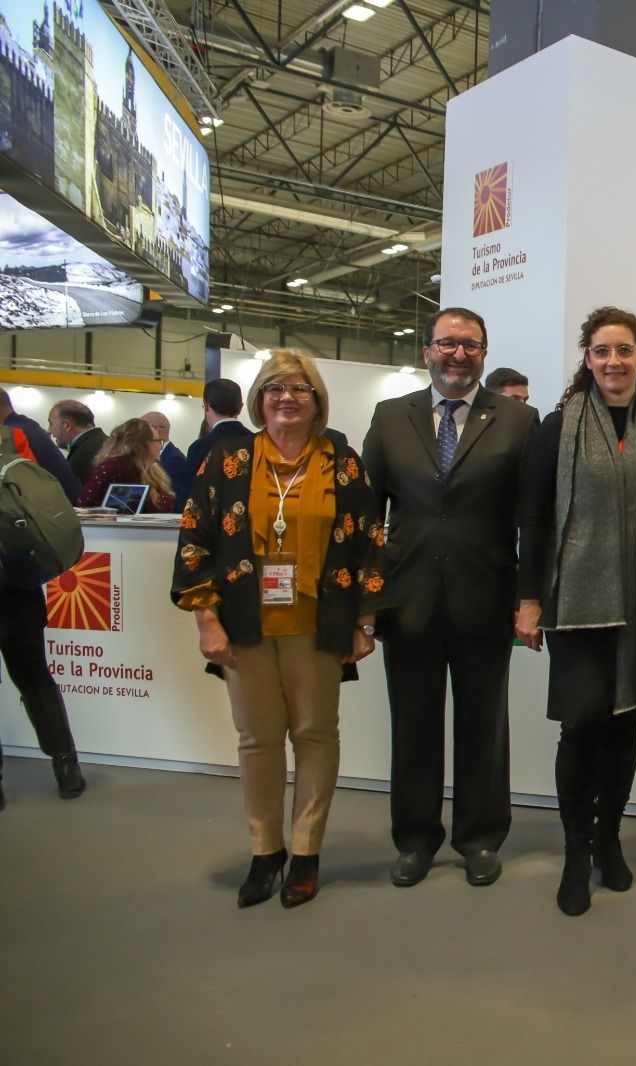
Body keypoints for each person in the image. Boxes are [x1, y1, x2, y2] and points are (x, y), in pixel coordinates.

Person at [171, 350, 385, 908]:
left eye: (299, 388)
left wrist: (365, 620)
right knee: (257, 741)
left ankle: (307, 852)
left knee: (315, 736)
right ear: (258, 399)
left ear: (317, 401)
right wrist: (205, 620)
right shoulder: (229, 458)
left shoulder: (342, 459)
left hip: (320, 623)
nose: (286, 397)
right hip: (244, 625)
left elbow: (371, 540)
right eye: (274, 388)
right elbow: (195, 539)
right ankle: (266, 852)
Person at [362, 307, 537, 889]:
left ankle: (480, 837)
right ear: (427, 350)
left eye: (470, 345)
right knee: (412, 724)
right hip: (406, 597)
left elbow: (533, 519)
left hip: (486, 597)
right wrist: (364, 598)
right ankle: (414, 839)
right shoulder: (390, 418)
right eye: (447, 344)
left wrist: (529, 597)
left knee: (485, 726)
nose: (458, 354)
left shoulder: (517, 419)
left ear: (484, 352)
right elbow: (365, 517)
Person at [517, 307, 636, 916]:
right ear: (586, 359)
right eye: (601, 351)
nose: (613, 361)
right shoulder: (556, 430)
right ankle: (576, 850)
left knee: (625, 726)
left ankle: (610, 838)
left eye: (625, 349)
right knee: (582, 724)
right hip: (576, 607)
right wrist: (529, 599)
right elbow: (533, 518)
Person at [0, 390, 86, 808]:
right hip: (18, 575)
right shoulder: (24, 438)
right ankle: (66, 765)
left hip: (14, 578)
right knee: (34, 673)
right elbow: (65, 490)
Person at [76, 418, 176, 512]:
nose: (160, 446)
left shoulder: (152, 471)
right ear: (143, 444)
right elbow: (87, 505)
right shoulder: (117, 467)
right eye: (158, 441)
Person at [184, 379, 252, 500]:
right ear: (241, 407)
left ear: (206, 406)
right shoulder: (257, 442)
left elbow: (191, 497)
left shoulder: (199, 448)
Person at [48, 400, 106, 487]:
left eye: (51, 424)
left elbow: (71, 494)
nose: (49, 431)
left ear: (66, 425)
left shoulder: (84, 454)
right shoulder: (107, 443)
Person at [141, 410, 190, 500]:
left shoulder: (175, 461)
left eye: (142, 428)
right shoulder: (167, 457)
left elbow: (175, 499)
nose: (138, 433)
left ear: (156, 430)